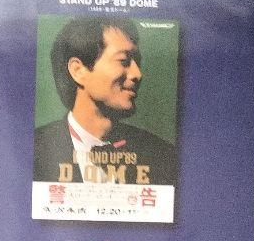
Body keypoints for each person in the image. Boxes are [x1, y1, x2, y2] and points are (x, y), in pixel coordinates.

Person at [33, 17, 176, 187]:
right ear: (78, 71)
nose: (137, 74)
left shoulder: (161, 154)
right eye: (124, 61)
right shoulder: (35, 149)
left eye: (137, 62)